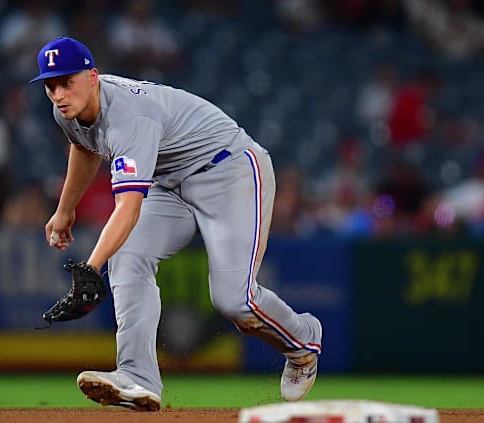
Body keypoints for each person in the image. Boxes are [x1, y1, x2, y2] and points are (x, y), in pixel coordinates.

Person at [31, 37, 322, 411]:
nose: (57, 93)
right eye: (50, 85)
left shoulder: (129, 118)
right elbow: (85, 144)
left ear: (92, 76)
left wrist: (91, 266)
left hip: (229, 171)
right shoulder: (69, 109)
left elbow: (128, 208)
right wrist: (65, 209)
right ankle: (137, 376)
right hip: (170, 184)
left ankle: (304, 343)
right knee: (128, 256)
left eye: (66, 81)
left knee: (234, 300)